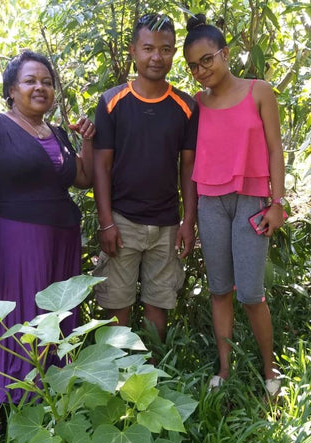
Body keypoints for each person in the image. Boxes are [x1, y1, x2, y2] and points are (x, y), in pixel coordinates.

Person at [0, 50, 95, 425]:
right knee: (14, 322)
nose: (40, 87)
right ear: (11, 89)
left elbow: (83, 178)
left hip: (60, 245)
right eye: (31, 80)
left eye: (47, 82)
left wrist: (87, 141)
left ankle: (48, 413)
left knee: (54, 321)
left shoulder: (58, 135)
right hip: (13, 243)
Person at [183, 14, 286, 394]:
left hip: (252, 201)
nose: (200, 70)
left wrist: (278, 202)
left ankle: (270, 369)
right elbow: (189, 159)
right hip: (211, 201)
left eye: (207, 59)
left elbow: (276, 149)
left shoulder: (260, 90)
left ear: (225, 54)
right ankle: (224, 371)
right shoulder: (196, 103)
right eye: (193, 65)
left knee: (251, 293)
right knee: (220, 289)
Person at [92, 13, 198, 346]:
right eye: (148, 48)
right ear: (133, 51)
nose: (156, 57)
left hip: (166, 224)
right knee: (116, 301)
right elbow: (101, 167)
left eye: (165, 49)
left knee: (159, 301)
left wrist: (187, 222)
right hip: (123, 222)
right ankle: (115, 369)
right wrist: (106, 222)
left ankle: (152, 370)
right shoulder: (111, 102)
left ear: (173, 52)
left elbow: (188, 170)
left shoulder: (186, 106)